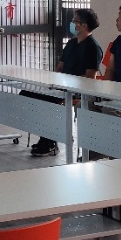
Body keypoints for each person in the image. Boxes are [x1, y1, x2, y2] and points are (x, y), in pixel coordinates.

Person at [28, 8, 103, 157]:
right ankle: (46, 137)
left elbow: (90, 77)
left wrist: (68, 83)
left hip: (77, 89)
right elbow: (60, 66)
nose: (72, 23)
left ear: (84, 26)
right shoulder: (71, 43)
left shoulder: (93, 47)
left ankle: (49, 142)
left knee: (48, 100)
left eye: (75, 21)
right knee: (30, 94)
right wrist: (54, 81)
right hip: (61, 86)